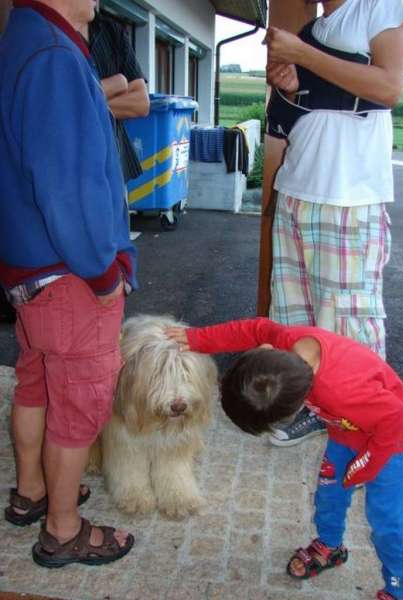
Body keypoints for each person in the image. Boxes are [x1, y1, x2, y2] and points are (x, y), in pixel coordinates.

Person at [0, 0, 136, 567]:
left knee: (37, 382)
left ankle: (32, 491)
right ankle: (62, 529)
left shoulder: (23, 38)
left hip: (30, 268)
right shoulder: (55, 55)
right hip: (68, 272)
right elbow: (68, 190)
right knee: (77, 404)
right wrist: (104, 275)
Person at [262, 0, 403, 447]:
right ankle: (315, 408)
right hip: (298, 188)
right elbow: (300, 117)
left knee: (351, 321)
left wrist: (302, 54)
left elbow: (389, 88)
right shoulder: (317, 28)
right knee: (295, 318)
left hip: (350, 196)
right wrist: (292, 88)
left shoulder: (382, 6)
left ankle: (369, 420)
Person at [167, 317, 403, 600]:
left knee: (387, 522)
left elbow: (393, 417)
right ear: (264, 351)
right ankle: (330, 546)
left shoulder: (340, 392)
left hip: (390, 441)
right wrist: (199, 339)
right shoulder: (283, 345)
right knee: (329, 495)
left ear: (300, 405)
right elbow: (253, 328)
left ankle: (400, 589)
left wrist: (361, 469)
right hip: (344, 431)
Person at [82, 10, 150, 186]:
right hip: (74, 165)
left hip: (116, 164)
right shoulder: (51, 38)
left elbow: (141, 103)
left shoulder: (111, 31)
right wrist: (116, 84)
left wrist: (82, 104)